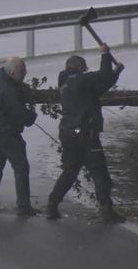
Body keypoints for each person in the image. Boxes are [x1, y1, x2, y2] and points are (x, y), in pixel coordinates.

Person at [45, 44, 126, 223]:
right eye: (85, 68)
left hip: (68, 132)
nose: (86, 71)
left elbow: (100, 86)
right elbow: (101, 77)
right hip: (83, 132)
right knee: (99, 171)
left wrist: (116, 73)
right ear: (81, 68)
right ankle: (106, 210)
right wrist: (105, 55)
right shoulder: (81, 80)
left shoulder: (66, 83)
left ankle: (52, 205)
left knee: (70, 171)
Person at [0, 56, 40, 216]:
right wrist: (32, 116)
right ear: (12, 72)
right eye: (22, 71)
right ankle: (24, 206)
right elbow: (21, 117)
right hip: (5, 132)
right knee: (21, 167)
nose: (25, 73)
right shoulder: (9, 91)